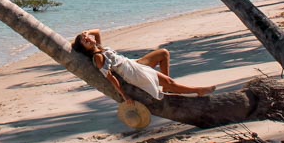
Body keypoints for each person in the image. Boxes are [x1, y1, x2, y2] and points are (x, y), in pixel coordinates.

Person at [71, 29, 215, 103]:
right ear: (85, 48)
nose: (88, 39)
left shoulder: (99, 47)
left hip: (133, 64)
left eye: (87, 38)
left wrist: (86, 33)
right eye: (85, 41)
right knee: (169, 81)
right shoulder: (97, 57)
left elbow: (97, 31)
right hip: (132, 73)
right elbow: (110, 78)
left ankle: (168, 88)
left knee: (163, 53)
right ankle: (198, 91)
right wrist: (125, 96)